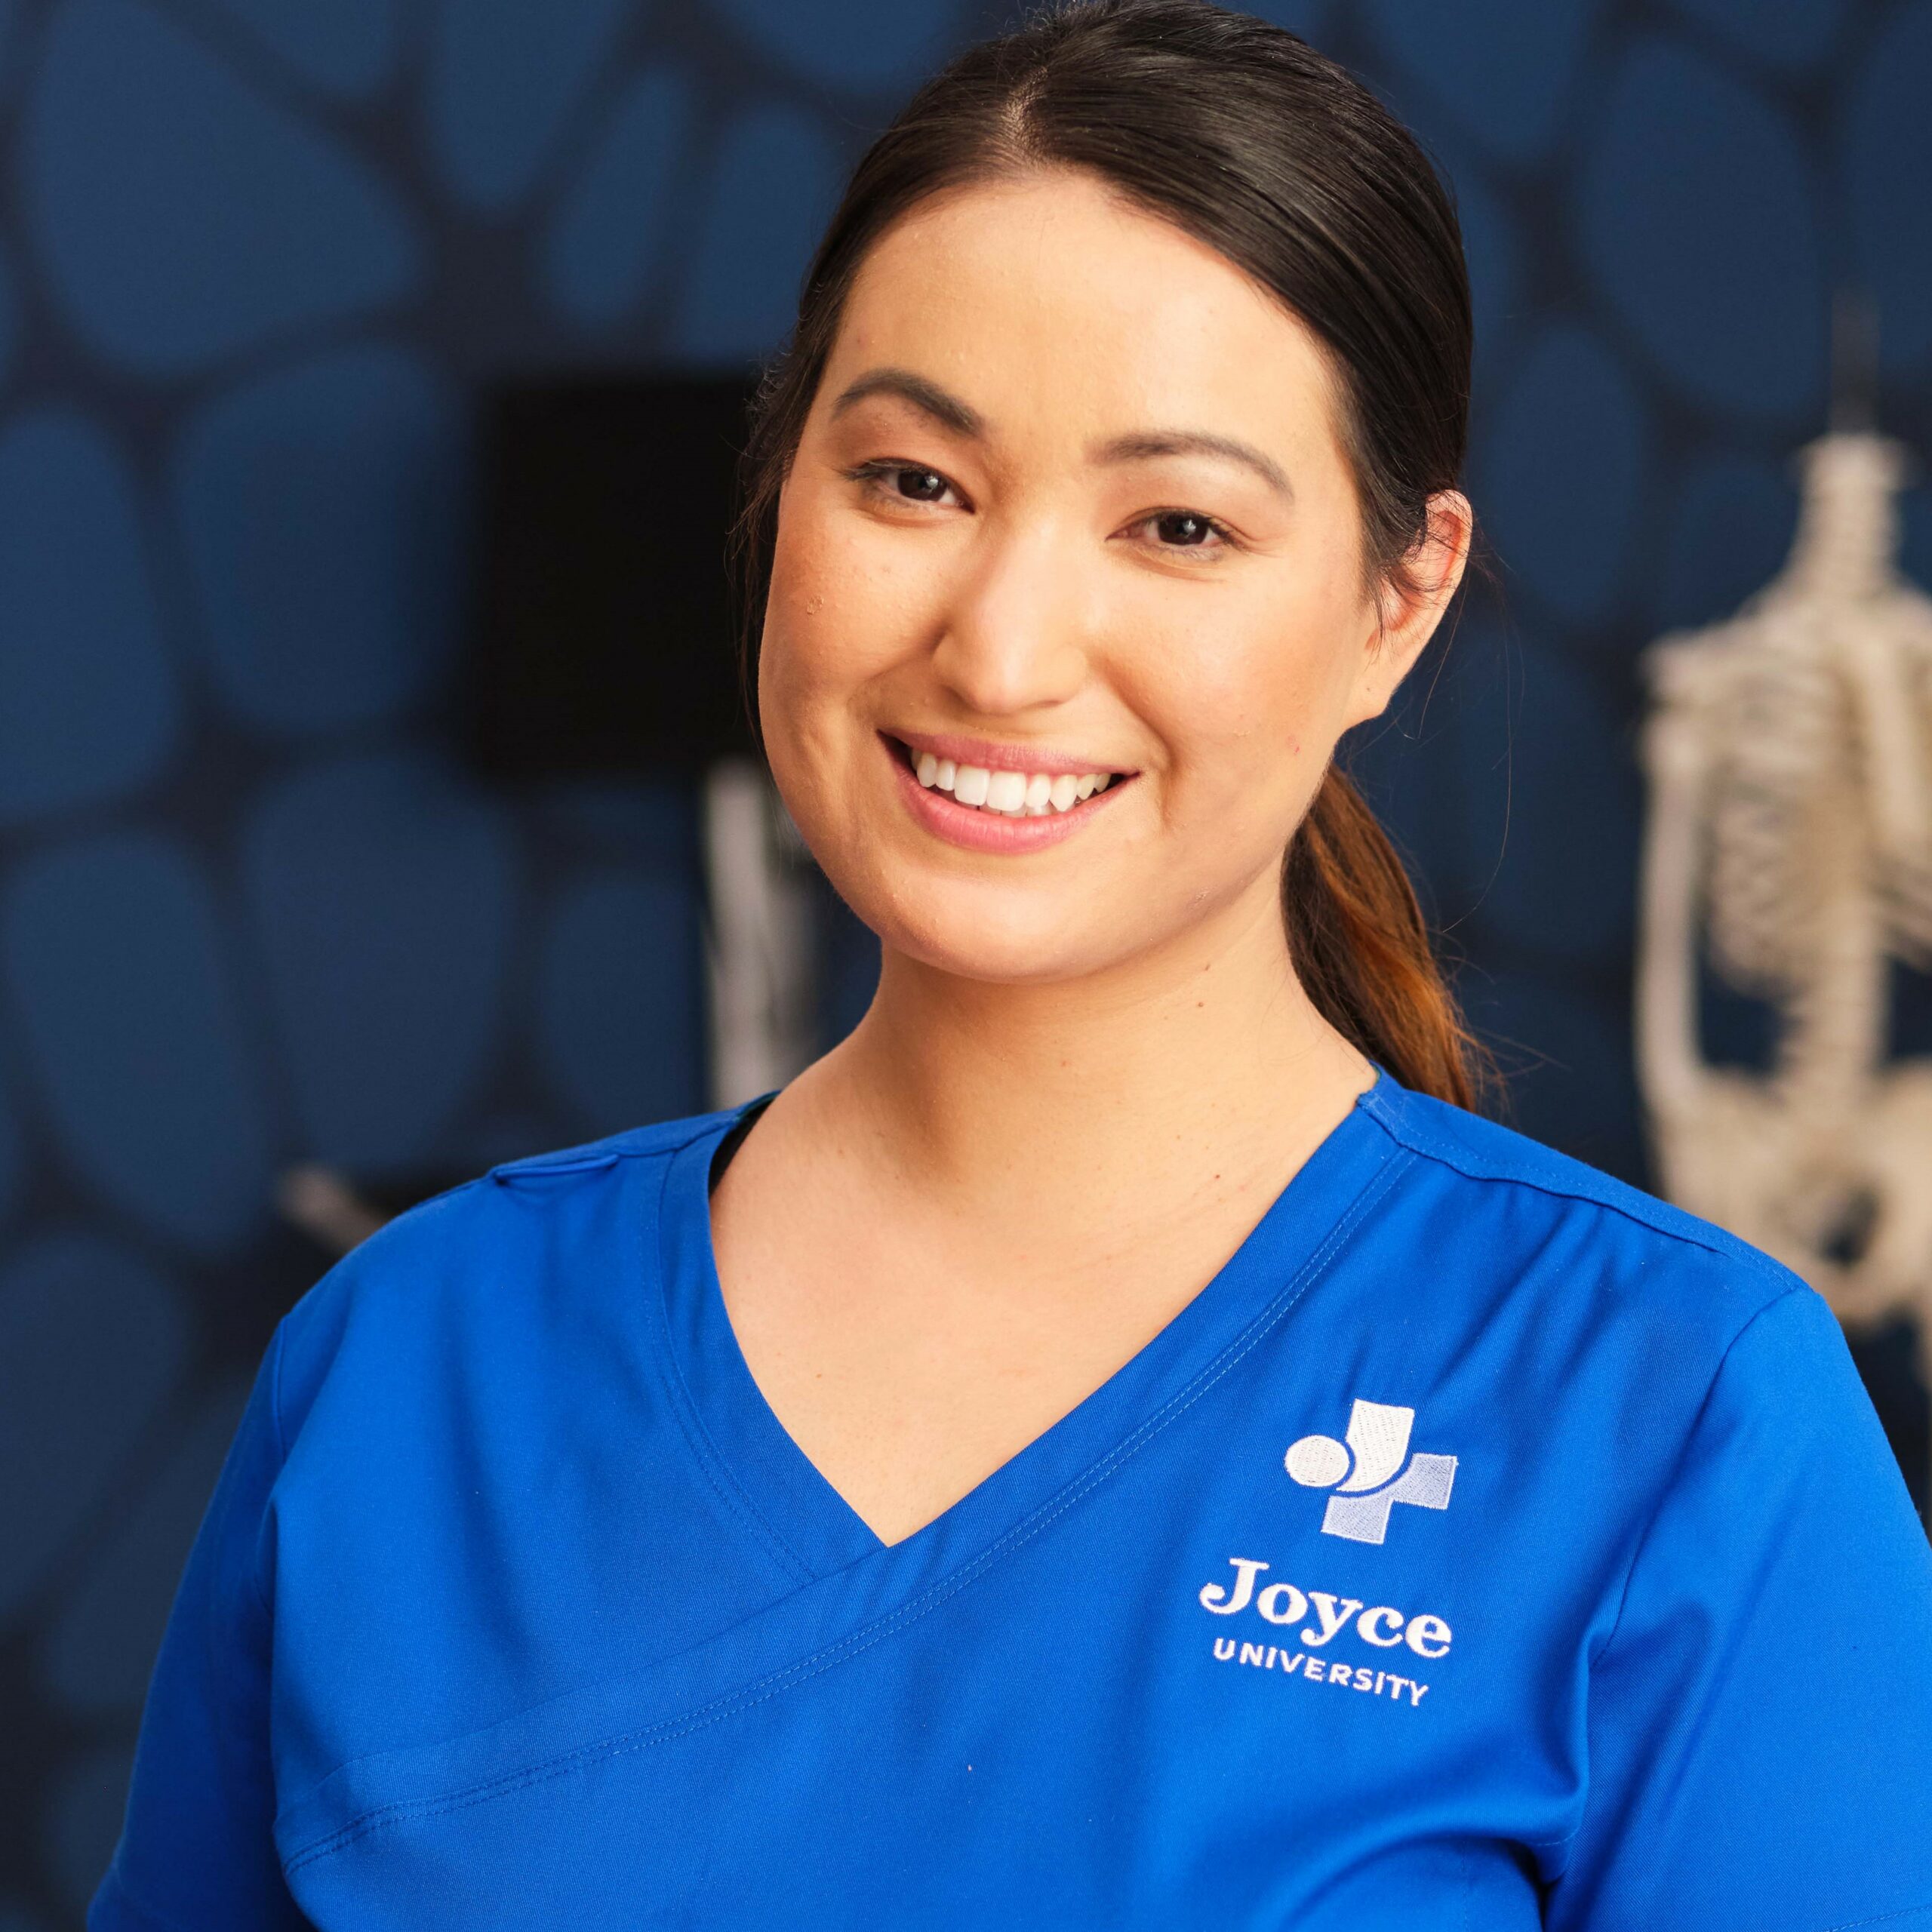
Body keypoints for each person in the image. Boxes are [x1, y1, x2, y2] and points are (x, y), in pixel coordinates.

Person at [92, 2, 1932, 1927]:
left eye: (1177, 522)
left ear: (1398, 602)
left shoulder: (1668, 1417)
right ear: (778, 491)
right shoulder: (410, 1361)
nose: (1002, 645)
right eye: (912, 482)